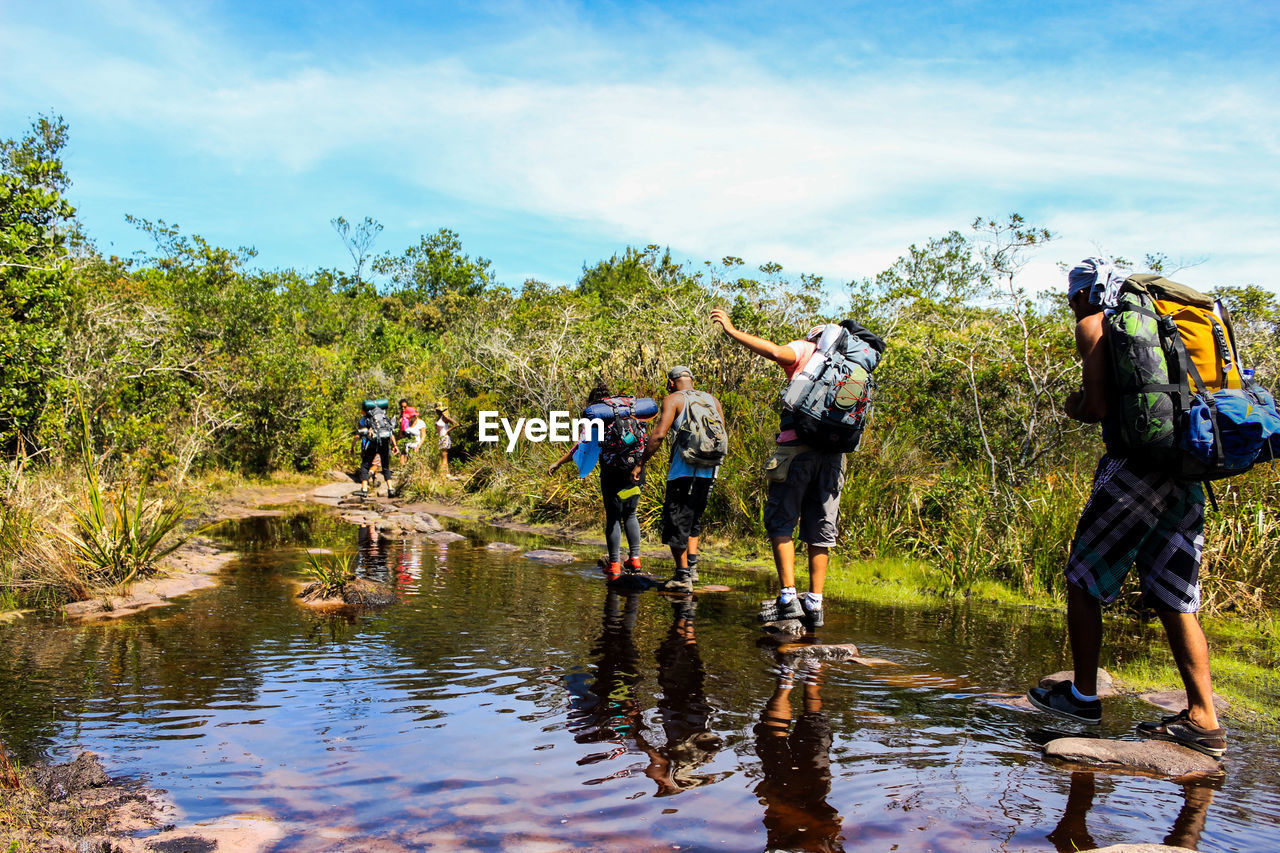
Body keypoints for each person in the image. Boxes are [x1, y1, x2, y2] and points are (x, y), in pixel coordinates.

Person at [1026, 260, 1226, 759]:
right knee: (1174, 594)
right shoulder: (1168, 327)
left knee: (1083, 578)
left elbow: (1095, 407)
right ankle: (1204, 717)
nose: (1072, 306)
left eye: (1073, 297)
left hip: (1134, 467)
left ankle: (1083, 697)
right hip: (1185, 468)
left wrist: (1074, 404)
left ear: (1085, 294)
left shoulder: (1096, 323)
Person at [710, 308, 849, 629]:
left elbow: (774, 351)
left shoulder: (807, 350)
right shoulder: (851, 368)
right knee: (821, 527)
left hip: (795, 450)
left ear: (816, 337)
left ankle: (788, 596)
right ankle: (815, 602)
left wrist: (731, 331)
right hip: (834, 456)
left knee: (781, 519)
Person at [637, 366, 725, 592]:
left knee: (676, 521)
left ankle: (682, 576)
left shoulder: (673, 399)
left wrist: (640, 463)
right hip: (709, 471)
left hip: (683, 471)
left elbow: (658, 435)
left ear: (671, 382)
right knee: (693, 519)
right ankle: (692, 568)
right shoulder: (712, 400)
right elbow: (722, 433)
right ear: (692, 381)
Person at [549, 381, 645, 581]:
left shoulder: (596, 416)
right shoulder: (627, 410)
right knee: (630, 514)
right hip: (635, 468)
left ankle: (615, 564)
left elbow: (582, 447)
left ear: (592, 402)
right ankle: (635, 559)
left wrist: (559, 462)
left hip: (612, 472)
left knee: (613, 517)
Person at [355, 400, 398, 495]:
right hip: (385, 442)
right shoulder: (384, 418)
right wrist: (395, 445)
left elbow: (362, 432)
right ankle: (390, 489)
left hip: (374, 443)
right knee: (385, 467)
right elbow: (391, 432)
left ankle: (364, 490)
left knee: (365, 466)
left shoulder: (367, 418)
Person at [434, 403, 459, 478]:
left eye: (438, 410)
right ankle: (446, 472)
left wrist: (448, 430)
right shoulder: (438, 418)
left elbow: (456, 424)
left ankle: (445, 473)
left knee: (444, 455)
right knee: (442, 455)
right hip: (440, 438)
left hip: (445, 437)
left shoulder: (445, 418)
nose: (437, 411)